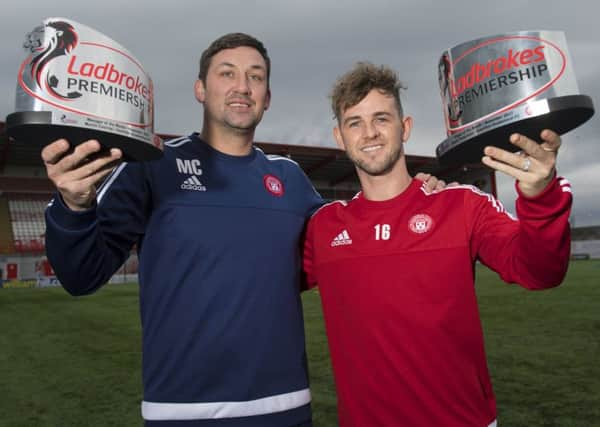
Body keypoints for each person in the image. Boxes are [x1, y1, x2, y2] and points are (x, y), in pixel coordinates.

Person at [42, 33, 321, 426]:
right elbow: (80, 275)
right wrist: (74, 205)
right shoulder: (153, 165)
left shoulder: (289, 179)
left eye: (255, 77)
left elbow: (355, 242)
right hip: (184, 413)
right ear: (201, 90)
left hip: (286, 408)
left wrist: (421, 192)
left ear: (267, 96)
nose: (242, 86)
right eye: (227, 73)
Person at [302, 62, 571, 427]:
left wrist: (540, 197)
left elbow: (539, 272)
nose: (369, 133)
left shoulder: (460, 205)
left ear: (405, 127)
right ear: (339, 137)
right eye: (355, 123)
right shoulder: (323, 227)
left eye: (381, 118)